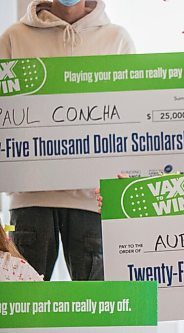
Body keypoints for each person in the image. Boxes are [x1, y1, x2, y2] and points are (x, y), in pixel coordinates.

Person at [0, 0, 135, 281]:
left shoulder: (117, 39)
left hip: (93, 197)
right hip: (30, 196)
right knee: (25, 311)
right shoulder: (14, 37)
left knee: (97, 310)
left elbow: (131, 113)